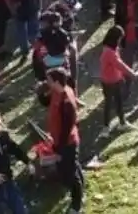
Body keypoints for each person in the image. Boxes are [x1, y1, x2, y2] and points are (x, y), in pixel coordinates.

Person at [43, 67, 85, 214]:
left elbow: (67, 128)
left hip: (67, 143)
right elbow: (46, 101)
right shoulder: (57, 91)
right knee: (73, 166)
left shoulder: (66, 101)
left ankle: (77, 205)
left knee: (69, 174)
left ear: (56, 82)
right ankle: (80, 191)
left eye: (48, 80)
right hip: (60, 140)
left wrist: (58, 147)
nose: (46, 82)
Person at [99, 25, 137, 131]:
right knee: (111, 103)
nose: (120, 40)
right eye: (120, 38)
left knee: (115, 102)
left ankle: (120, 123)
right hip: (111, 82)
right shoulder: (110, 52)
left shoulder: (109, 48)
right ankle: (108, 126)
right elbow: (120, 64)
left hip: (113, 80)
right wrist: (132, 74)